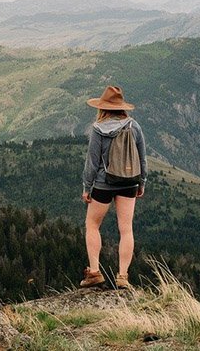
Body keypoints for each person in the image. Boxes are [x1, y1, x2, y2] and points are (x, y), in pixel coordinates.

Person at [80, 85, 146, 289]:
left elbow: (92, 162)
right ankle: (123, 276)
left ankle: (94, 272)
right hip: (128, 182)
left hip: (103, 183)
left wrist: (87, 187)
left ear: (103, 107)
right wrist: (141, 182)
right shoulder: (133, 126)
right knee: (126, 229)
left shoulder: (98, 129)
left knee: (92, 225)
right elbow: (142, 158)